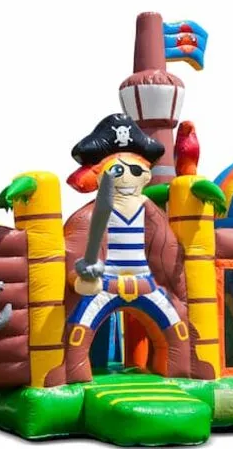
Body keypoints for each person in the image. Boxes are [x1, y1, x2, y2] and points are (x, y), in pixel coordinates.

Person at [62, 113, 190, 383]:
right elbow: (79, 242)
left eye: (136, 171)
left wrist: (176, 279)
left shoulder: (147, 209)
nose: (129, 177)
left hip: (145, 282)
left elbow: (165, 245)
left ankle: (174, 369)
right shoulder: (95, 211)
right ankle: (76, 375)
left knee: (176, 325)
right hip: (107, 283)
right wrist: (83, 271)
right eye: (118, 171)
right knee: (78, 329)